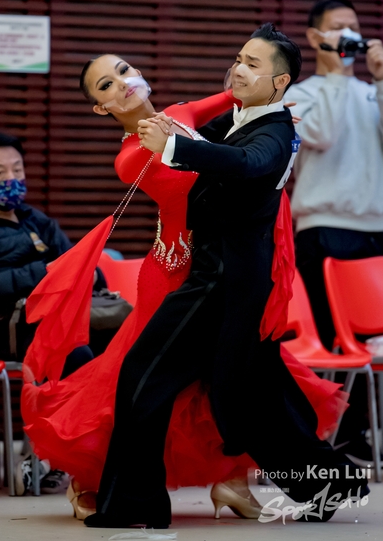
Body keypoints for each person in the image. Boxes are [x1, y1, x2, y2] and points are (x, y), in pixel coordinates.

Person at [21, 45, 350, 522]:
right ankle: (129, 491)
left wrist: (269, 116)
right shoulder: (131, 157)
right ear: (101, 107)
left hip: (219, 271)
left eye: (124, 70)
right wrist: (263, 123)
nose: (123, 83)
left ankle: (264, 484)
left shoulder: (180, 116)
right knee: (161, 379)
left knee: (234, 385)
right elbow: (213, 156)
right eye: (107, 85)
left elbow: (234, 107)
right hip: (176, 275)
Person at [0, 132, 98, 494]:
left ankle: (86, 456)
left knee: (120, 350)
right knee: (76, 355)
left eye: (17, 171)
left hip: (58, 322)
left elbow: (78, 265)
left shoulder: (37, 221)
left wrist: (86, 271)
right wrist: (44, 273)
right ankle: (65, 457)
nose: (11, 179)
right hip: (5, 331)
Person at [286, 0, 383, 466]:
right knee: (331, 340)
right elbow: (320, 134)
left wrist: (380, 80)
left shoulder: (371, 92)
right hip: (324, 229)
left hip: (377, 230)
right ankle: (342, 436)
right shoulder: (302, 93)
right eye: (337, 27)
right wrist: (336, 74)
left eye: (353, 27)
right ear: (315, 37)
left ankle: (368, 432)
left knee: (376, 343)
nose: (348, 35)